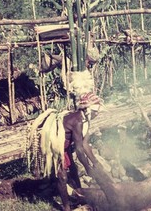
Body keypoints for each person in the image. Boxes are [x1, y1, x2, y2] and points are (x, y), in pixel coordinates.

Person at [27, 70, 103, 211]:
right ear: (87, 110)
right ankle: (67, 207)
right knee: (62, 176)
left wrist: (96, 163)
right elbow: (79, 150)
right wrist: (88, 168)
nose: (97, 114)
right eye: (95, 111)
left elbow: (85, 144)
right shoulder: (78, 121)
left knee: (73, 171)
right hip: (56, 146)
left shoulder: (86, 120)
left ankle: (79, 196)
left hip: (65, 146)